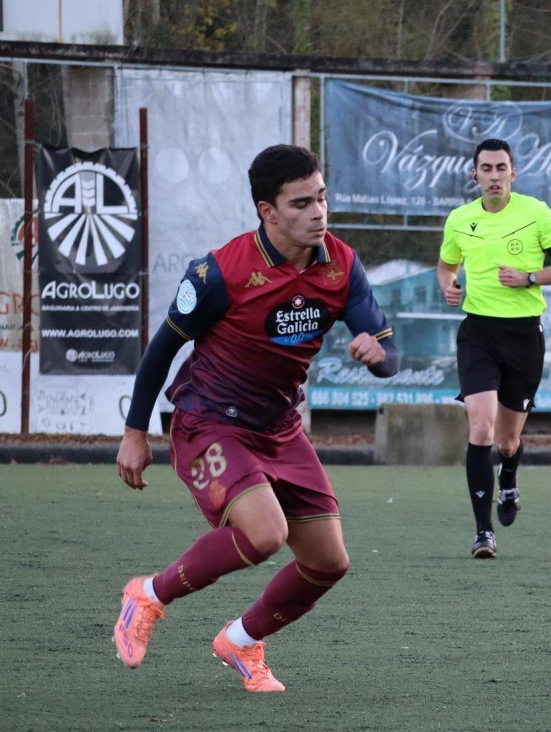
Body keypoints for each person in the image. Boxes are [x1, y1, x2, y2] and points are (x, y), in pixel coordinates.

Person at [112, 144, 400, 693]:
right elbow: (162, 349)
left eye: (321, 198)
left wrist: (379, 356)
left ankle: (241, 641)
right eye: (301, 204)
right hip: (209, 422)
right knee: (266, 534)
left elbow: (390, 355)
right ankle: (146, 595)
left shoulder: (341, 264)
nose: (318, 213)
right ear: (268, 212)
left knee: (329, 563)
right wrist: (134, 432)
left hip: (279, 428)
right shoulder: (221, 271)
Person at [437, 138, 551, 559]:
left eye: (501, 168)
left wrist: (530, 277)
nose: (494, 176)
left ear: (512, 174)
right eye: (487, 168)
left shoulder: (536, 213)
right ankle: (483, 533)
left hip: (524, 338)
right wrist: (448, 285)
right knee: (480, 428)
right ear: (474, 175)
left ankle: (510, 478)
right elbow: (447, 264)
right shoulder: (460, 220)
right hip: (477, 334)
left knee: (507, 442)